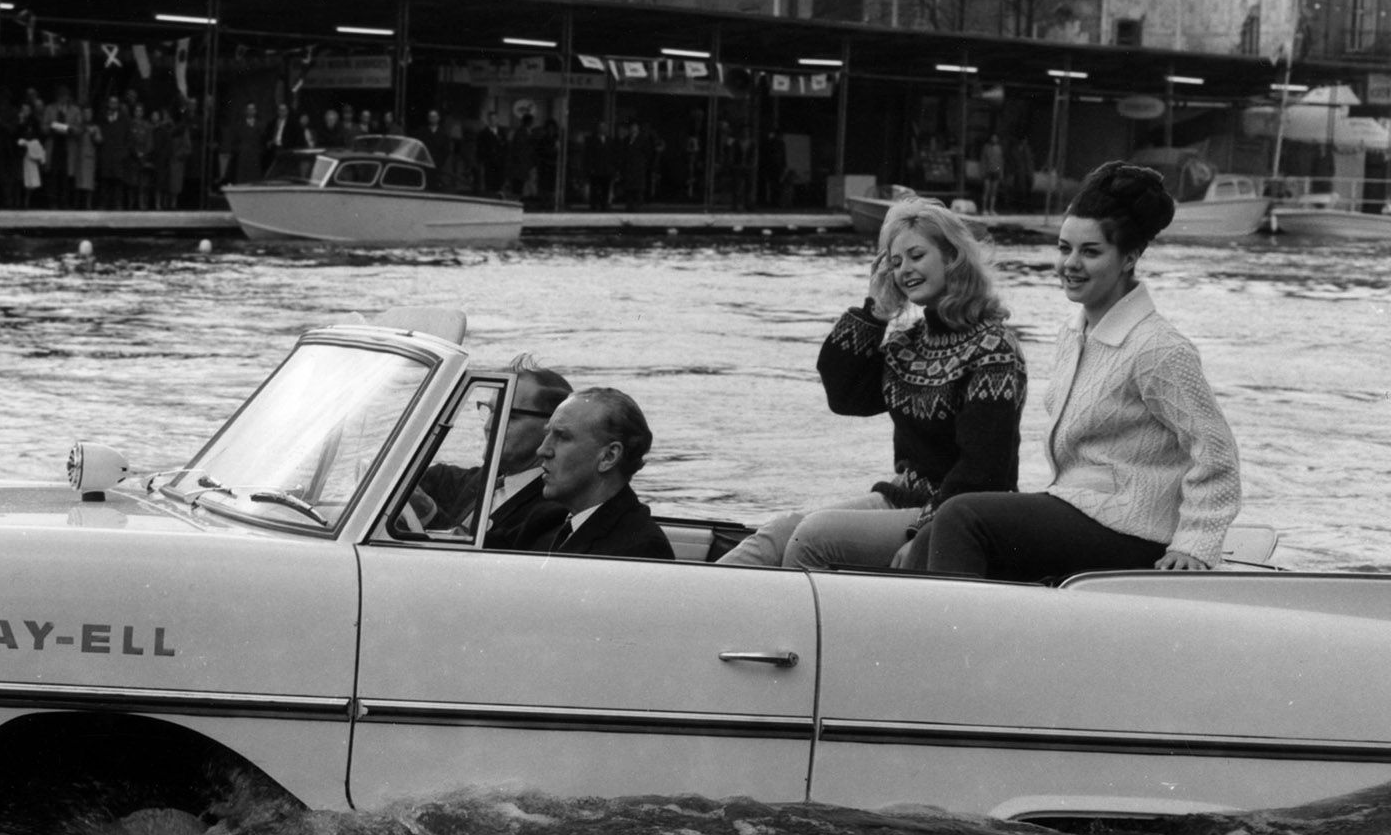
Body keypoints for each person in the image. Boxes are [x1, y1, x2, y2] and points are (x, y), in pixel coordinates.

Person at [908, 161, 1242, 580]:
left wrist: (1194, 544)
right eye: (1065, 248)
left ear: (1130, 257)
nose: (1070, 264)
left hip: (1135, 530)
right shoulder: (1073, 334)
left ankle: (958, 642)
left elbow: (1217, 453)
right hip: (1078, 508)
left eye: (1090, 251)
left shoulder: (1157, 347)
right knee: (933, 532)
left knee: (962, 515)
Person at [718, 198, 1026, 569]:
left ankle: (809, 627)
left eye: (916, 255)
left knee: (814, 537)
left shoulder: (993, 349)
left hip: (962, 516)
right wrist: (876, 310)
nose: (905, 270)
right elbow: (845, 395)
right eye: (895, 263)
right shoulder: (909, 343)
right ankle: (691, 606)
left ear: (952, 257)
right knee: (780, 531)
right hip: (902, 500)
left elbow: (983, 471)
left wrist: (922, 535)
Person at [416, 355, 573, 549]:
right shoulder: (481, 480)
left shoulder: (556, 509)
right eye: (490, 411)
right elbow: (425, 479)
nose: (489, 426)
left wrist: (429, 514)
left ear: (551, 428)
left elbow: (487, 560)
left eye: (508, 415)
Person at [510, 387, 674, 560]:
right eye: (547, 434)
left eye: (562, 436)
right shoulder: (546, 523)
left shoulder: (640, 548)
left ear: (609, 456)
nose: (543, 450)